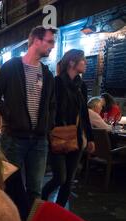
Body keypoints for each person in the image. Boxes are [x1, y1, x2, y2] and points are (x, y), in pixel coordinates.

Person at [0, 26, 57, 208]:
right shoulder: (11, 67)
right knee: (8, 185)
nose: (52, 46)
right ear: (35, 40)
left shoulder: (48, 74)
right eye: (49, 41)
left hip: (39, 141)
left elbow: (52, 104)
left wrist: (47, 125)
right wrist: (10, 116)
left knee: (35, 189)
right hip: (14, 138)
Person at [42, 49, 95, 207]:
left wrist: (90, 138)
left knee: (68, 181)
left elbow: (84, 113)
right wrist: (48, 131)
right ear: (72, 62)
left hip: (76, 138)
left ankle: (58, 213)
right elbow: (48, 109)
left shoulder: (81, 86)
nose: (85, 63)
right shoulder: (56, 83)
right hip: (57, 136)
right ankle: (40, 204)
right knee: (60, 177)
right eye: (83, 60)